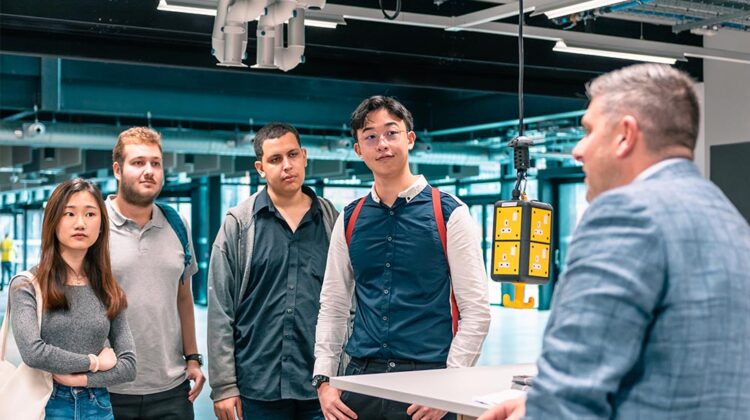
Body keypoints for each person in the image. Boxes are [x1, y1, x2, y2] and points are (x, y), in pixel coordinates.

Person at [479, 64, 750, 420]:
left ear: (625, 135)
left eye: (589, 131)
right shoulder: (727, 217)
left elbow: (566, 397)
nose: (578, 151)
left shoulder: (626, 213)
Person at [314, 96, 491, 420]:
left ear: (410, 138)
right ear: (358, 149)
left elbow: (476, 312)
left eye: (391, 133)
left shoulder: (450, 213)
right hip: (360, 385)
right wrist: (324, 380)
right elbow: (334, 305)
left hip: (428, 387)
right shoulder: (350, 218)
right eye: (370, 136)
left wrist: (451, 386)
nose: (381, 144)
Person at [208, 122, 338, 420]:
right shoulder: (239, 225)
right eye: (275, 159)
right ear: (260, 167)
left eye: (293, 155)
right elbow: (220, 312)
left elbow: (349, 302)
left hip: (321, 384)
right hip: (258, 386)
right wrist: (224, 386)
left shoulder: (333, 221)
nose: (287, 166)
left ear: (305, 156)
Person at [10, 178, 136, 419]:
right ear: (53, 222)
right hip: (45, 404)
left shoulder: (109, 288)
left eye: (90, 214)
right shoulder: (26, 285)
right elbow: (33, 353)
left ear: (101, 226)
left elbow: (129, 365)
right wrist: (94, 363)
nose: (80, 223)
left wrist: (82, 379)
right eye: (69, 214)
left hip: (97, 405)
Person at [105, 127, 205, 419]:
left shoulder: (176, 224)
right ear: (118, 169)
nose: (149, 171)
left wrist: (194, 358)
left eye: (155, 163)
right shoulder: (93, 226)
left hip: (171, 390)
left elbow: (183, 297)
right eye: (138, 163)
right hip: (107, 389)